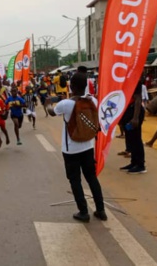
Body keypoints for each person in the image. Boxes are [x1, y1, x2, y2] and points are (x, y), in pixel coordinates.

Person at [48, 72, 107, 223]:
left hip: (71, 150)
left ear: (71, 86)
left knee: (75, 181)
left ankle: (83, 212)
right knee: (92, 178)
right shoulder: (92, 100)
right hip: (88, 146)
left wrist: (47, 103)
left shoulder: (66, 104)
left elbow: (52, 112)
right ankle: (100, 210)